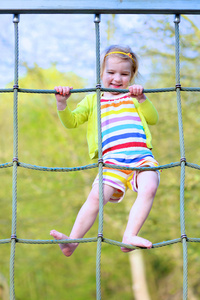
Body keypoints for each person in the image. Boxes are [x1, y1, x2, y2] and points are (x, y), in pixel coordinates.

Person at [50, 45, 160, 257]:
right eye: (110, 72)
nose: (117, 78)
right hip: (111, 162)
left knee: (150, 186)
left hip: (141, 158)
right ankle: (72, 242)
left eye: (124, 74)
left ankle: (130, 234)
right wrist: (62, 103)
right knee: (95, 198)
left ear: (132, 76)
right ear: (101, 73)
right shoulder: (93, 100)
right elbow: (72, 122)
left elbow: (153, 119)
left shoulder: (132, 97)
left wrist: (142, 99)